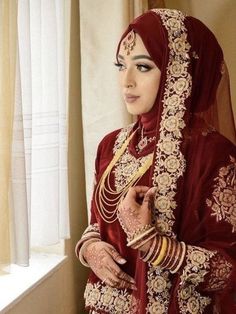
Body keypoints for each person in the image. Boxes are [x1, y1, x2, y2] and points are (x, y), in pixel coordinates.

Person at [75, 8, 236, 314]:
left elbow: (228, 270)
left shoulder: (214, 154)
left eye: (144, 67)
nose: (127, 81)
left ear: (179, 71)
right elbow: (97, 224)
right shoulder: (111, 145)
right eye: (120, 66)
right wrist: (89, 248)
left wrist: (151, 243)